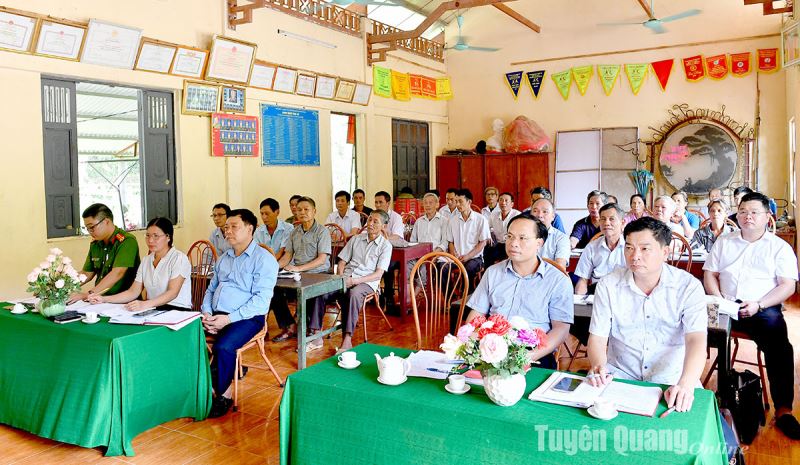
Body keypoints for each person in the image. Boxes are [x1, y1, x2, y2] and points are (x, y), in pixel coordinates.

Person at [586, 217, 708, 415]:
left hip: (672, 379)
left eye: (645, 249)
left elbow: (696, 340)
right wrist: (599, 366)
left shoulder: (688, 286)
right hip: (619, 377)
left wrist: (685, 384)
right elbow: (598, 338)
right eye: (629, 248)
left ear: (665, 252)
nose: (635, 256)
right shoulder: (608, 285)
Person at [704, 192, 800, 439]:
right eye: (743, 211)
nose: (747, 216)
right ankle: (697, 396)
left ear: (767, 217)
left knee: (779, 344)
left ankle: (784, 410)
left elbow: (788, 285)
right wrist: (718, 299)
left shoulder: (779, 247)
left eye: (754, 212)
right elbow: (710, 275)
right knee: (688, 328)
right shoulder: (725, 242)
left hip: (761, 306)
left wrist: (759, 304)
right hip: (725, 303)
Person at [465, 214, 573, 369]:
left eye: (523, 238)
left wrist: (528, 356)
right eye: (510, 236)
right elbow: (476, 315)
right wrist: (473, 342)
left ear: (539, 243)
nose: (513, 243)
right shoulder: (492, 273)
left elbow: (561, 329)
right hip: (491, 349)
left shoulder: (557, 280)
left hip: (535, 354)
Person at [201, 208, 278, 418]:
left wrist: (227, 319)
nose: (228, 231)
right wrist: (207, 313)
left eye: (234, 227)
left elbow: (261, 302)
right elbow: (210, 289)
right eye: (226, 227)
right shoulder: (224, 258)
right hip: (217, 313)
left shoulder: (264, 259)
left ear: (250, 229)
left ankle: (223, 395)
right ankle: (200, 388)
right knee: (184, 335)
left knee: (224, 346)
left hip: (248, 317)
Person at [89, 217, 191, 310]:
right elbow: (133, 292)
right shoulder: (147, 260)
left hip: (178, 311)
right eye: (147, 235)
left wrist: (145, 304)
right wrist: (104, 299)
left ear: (168, 237)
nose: (150, 240)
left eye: (156, 236)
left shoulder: (179, 259)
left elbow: (172, 293)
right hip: (154, 309)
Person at [271, 197, 332, 347]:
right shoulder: (294, 232)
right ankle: (290, 326)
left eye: (306, 209)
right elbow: (288, 256)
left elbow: (322, 259)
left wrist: (299, 268)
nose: (302, 212)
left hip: (319, 274)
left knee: (316, 292)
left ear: (314, 211)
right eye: (299, 210)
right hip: (298, 275)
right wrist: (273, 269)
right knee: (272, 288)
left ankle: (315, 332)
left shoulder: (322, 231)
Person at [334, 210, 393, 351]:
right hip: (346, 277)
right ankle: (316, 334)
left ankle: (347, 339)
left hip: (367, 282)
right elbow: (342, 261)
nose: (370, 224)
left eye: (375, 221)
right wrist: (341, 276)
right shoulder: (356, 239)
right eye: (369, 220)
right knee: (320, 291)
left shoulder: (386, 246)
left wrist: (354, 281)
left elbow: (378, 274)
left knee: (353, 294)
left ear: (384, 226)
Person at [68, 203, 140, 303]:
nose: (89, 231)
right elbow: (86, 273)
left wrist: (87, 294)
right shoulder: (96, 244)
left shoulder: (126, 241)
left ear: (106, 221)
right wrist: (60, 287)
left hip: (122, 302)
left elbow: (118, 273)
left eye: (92, 227)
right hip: (98, 300)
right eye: (86, 228)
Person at [574, 203, 627, 295]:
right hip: (598, 291)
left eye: (611, 219)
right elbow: (583, 280)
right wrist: (579, 300)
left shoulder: (630, 247)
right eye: (603, 219)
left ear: (622, 223)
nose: (606, 223)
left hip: (623, 291)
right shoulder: (591, 247)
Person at [446, 189, 490, 289]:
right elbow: (450, 242)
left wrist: (467, 256)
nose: (457, 204)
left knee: (468, 270)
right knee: (443, 268)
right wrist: (454, 255)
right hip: (456, 258)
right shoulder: (453, 220)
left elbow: (483, 242)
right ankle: (450, 298)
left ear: (469, 202)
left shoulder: (481, 219)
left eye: (460, 201)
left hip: (474, 258)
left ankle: (467, 299)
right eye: (456, 201)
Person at [530, 198, 570, 269]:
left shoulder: (561, 238)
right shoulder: (522, 235)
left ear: (553, 217)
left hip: (549, 278)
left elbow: (560, 268)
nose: (539, 215)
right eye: (535, 211)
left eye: (545, 211)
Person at [484, 192, 520, 265]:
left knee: (506, 261)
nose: (503, 203)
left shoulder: (517, 215)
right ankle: (489, 274)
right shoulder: (494, 215)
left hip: (512, 245)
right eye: (501, 200)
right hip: (499, 244)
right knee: (487, 255)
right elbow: (486, 228)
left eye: (506, 200)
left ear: (512, 204)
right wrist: (488, 236)